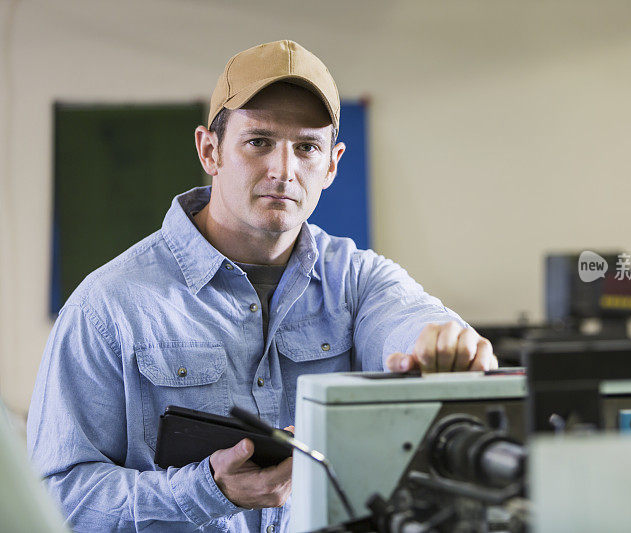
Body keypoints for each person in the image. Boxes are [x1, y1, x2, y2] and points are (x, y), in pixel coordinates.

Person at [27, 40, 498, 532]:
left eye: (307, 147)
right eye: (259, 141)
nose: (284, 170)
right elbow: (55, 502)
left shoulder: (357, 280)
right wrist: (209, 490)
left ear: (332, 164)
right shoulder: (110, 306)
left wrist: (442, 345)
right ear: (210, 151)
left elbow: (407, 319)